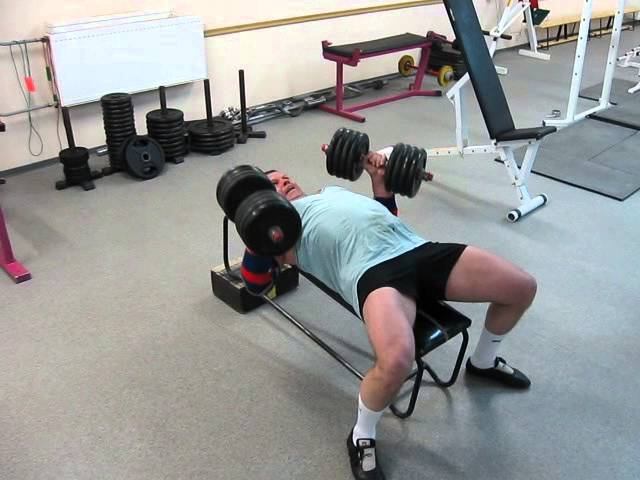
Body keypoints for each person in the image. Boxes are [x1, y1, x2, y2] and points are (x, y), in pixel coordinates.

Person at [239, 146, 537, 480]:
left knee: (521, 287)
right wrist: (254, 231)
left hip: (418, 249)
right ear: (262, 202)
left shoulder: (332, 192)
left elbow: (385, 217)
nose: (285, 182)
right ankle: (362, 434)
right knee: (396, 359)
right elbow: (255, 285)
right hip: (372, 274)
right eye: (274, 184)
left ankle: (483, 362)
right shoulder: (280, 233)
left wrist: (379, 181)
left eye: (285, 177)